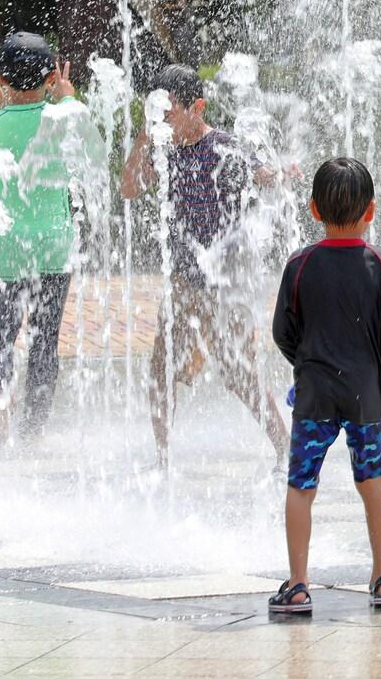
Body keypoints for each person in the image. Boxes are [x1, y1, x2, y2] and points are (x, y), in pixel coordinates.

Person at [269, 158, 381, 614]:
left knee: (301, 486)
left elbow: (282, 332)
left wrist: (306, 366)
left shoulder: (299, 265)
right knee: (372, 480)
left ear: (314, 209)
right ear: (371, 210)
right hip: (365, 395)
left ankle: (298, 585)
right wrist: (380, 356)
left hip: (315, 395)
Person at [120, 63, 288, 467]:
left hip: (225, 282)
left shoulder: (223, 146)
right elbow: (128, 189)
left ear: (197, 107)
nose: (163, 120)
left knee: (240, 374)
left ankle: (286, 448)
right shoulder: (162, 149)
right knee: (161, 368)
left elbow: (266, 175)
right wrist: (144, 136)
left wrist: (281, 172)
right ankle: (162, 459)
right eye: (156, 111)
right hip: (183, 280)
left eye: (169, 111)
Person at [0, 33, 78, 439]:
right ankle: (32, 433)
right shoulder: (66, 117)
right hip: (55, 250)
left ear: (1, 81)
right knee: (44, 343)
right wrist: (67, 96)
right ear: (52, 76)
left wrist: (5, 113)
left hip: (7, 253)